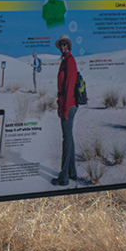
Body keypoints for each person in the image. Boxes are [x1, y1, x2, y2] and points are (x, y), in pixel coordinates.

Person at [52, 34, 79, 186]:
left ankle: (64, 177)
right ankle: (72, 172)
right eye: (61, 44)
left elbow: (69, 86)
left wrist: (66, 108)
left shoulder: (70, 61)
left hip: (69, 105)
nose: (62, 46)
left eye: (65, 44)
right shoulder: (64, 61)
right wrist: (60, 104)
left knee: (66, 140)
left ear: (68, 45)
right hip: (65, 104)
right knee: (69, 138)